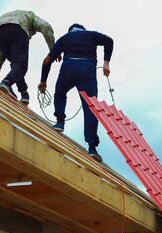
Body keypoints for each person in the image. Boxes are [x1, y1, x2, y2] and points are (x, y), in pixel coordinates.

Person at [38, 23, 114, 162]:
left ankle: (60, 122)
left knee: (60, 94)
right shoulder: (91, 35)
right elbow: (109, 40)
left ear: (70, 31)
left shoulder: (66, 38)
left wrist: (43, 80)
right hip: (87, 69)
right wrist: (106, 63)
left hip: (69, 66)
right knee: (90, 107)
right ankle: (92, 148)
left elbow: (47, 60)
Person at [0, 10, 57, 105]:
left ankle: (24, 93)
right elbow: (46, 27)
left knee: (16, 65)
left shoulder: (9, 20)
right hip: (17, 27)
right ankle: (7, 82)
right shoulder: (31, 16)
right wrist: (53, 51)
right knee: (21, 65)